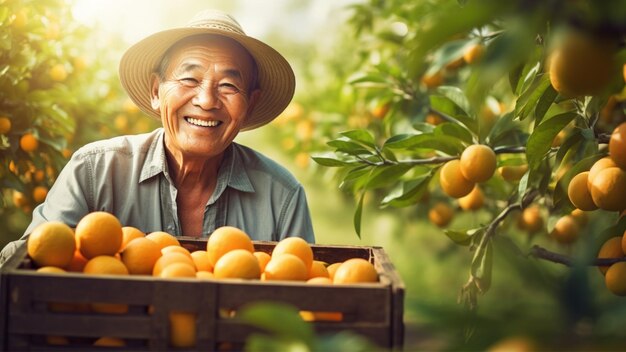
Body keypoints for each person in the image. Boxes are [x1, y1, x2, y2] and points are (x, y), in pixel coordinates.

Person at [0, 9, 315, 263]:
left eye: (229, 86)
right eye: (189, 78)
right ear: (155, 91)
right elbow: (28, 266)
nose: (206, 100)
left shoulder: (281, 197)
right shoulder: (94, 172)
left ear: (251, 103)